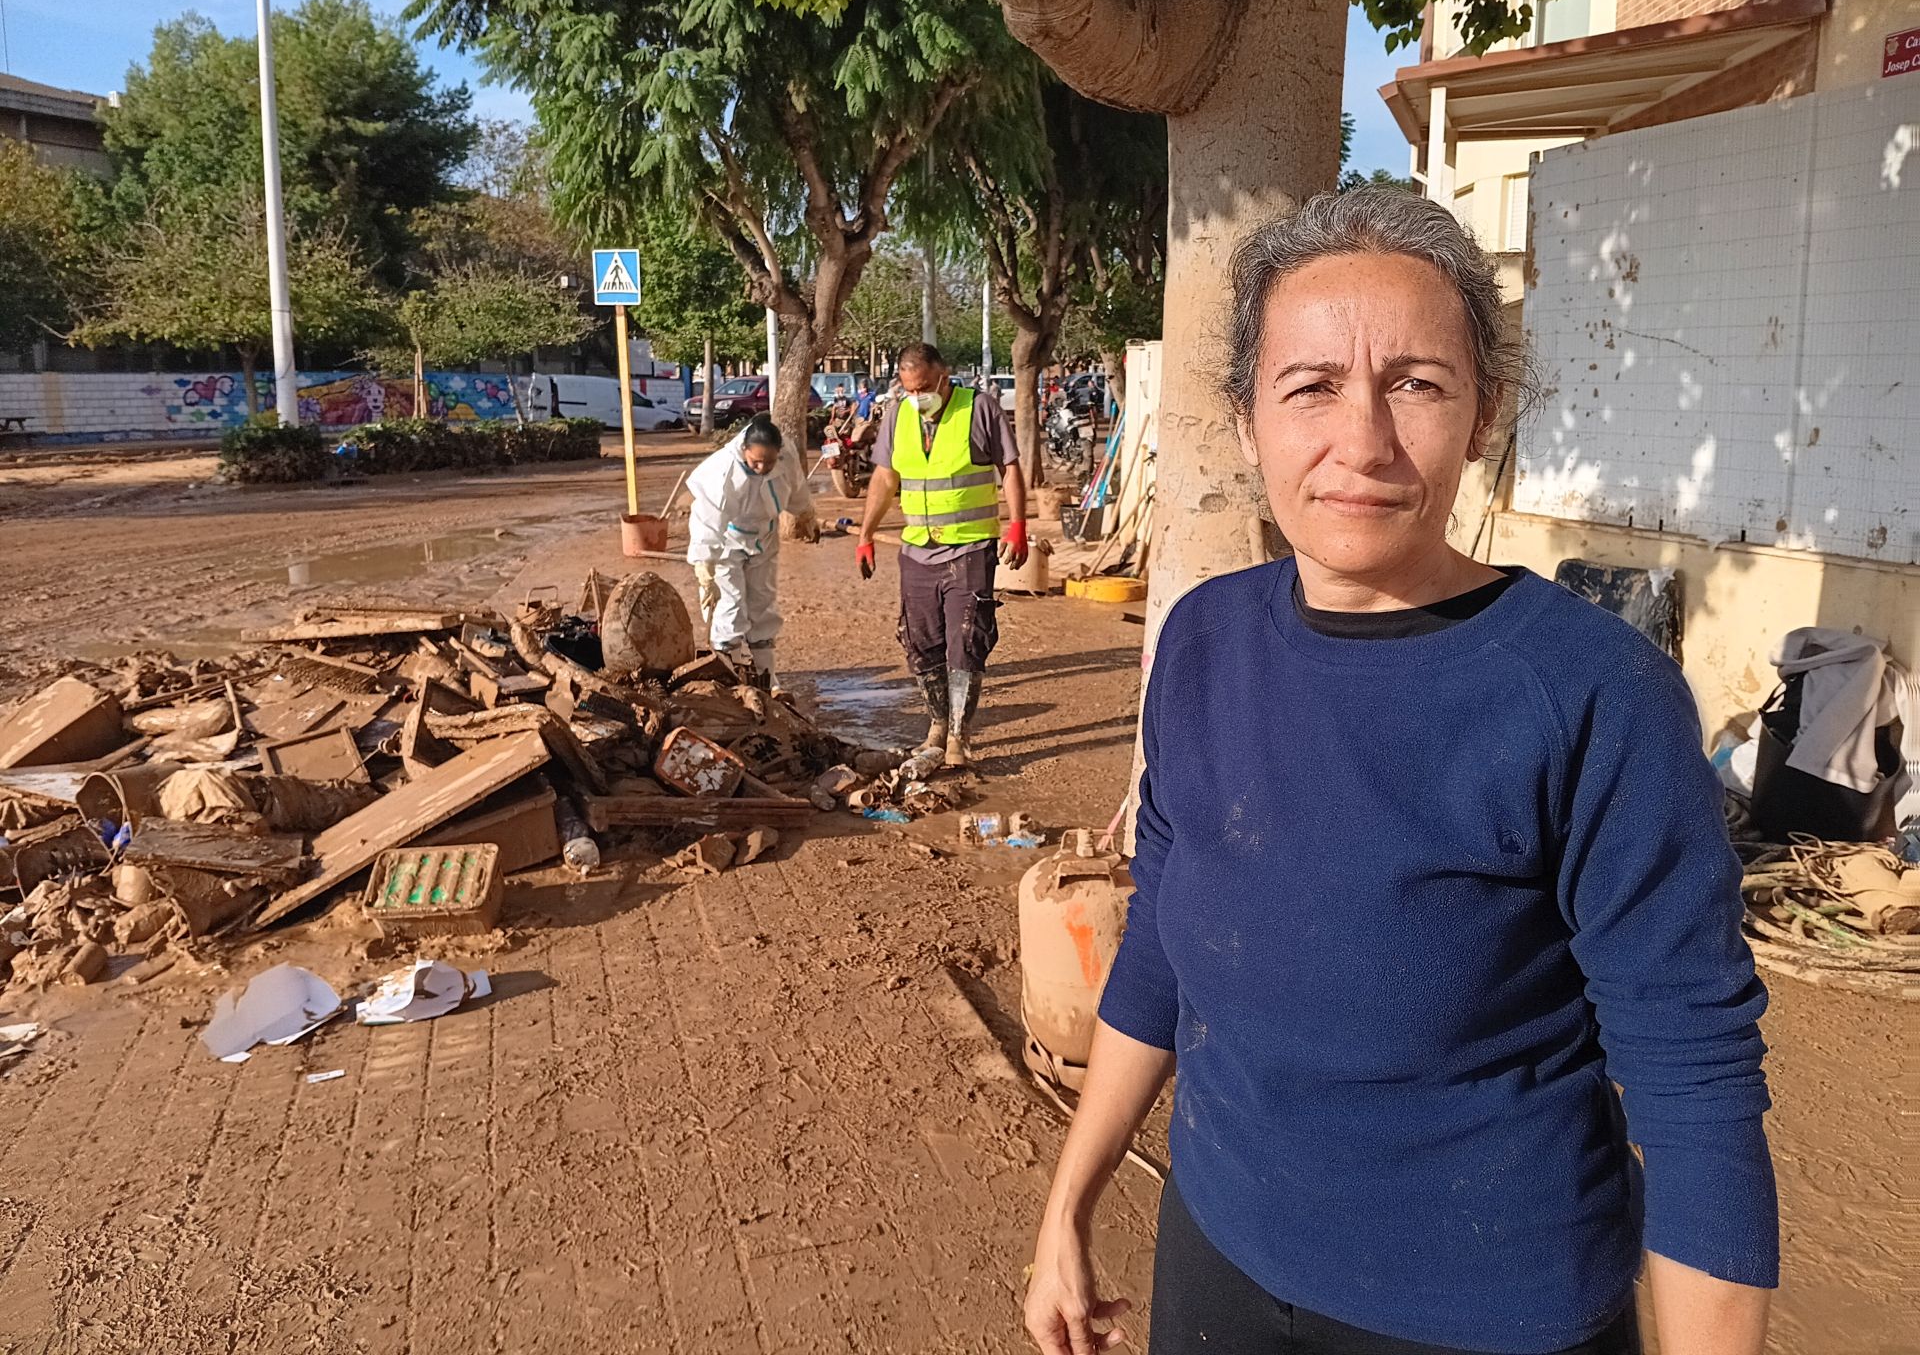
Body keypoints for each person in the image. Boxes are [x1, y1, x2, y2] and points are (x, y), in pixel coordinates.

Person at [1024, 187, 1776, 1355]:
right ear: (1245, 419)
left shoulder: (1592, 696)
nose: (1361, 442)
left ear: (1483, 414)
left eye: (1417, 383)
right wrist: (1067, 1207)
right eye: (1310, 386)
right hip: (1217, 1256)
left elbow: (1696, 1095)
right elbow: (1164, 944)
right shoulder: (1205, 641)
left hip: (1485, 1311)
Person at [856, 342, 1029, 769]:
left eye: (926, 387)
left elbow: (1009, 467)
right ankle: (936, 722)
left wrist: (1019, 526)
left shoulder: (980, 408)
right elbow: (884, 477)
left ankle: (958, 735)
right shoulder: (898, 414)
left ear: (944, 376)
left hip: (970, 548)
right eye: (910, 389)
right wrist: (865, 535)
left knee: (966, 641)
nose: (919, 397)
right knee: (920, 643)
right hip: (917, 550)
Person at [685, 414, 815, 692]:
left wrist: (806, 513)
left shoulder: (785, 456)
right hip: (727, 542)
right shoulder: (723, 471)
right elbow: (708, 518)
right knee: (730, 608)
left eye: (768, 462)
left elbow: (797, 486)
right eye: (756, 461)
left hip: (765, 538)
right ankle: (730, 675)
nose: (762, 467)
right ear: (744, 450)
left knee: (763, 605)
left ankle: (766, 677)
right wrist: (704, 565)